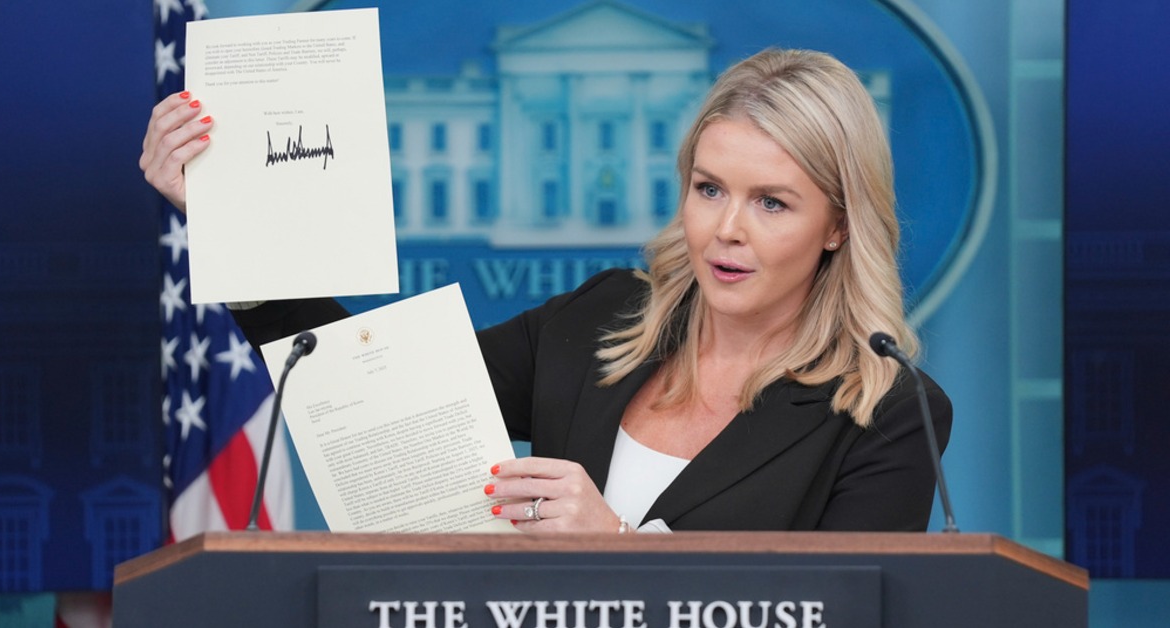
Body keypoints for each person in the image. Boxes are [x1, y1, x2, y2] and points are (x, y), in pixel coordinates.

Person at [140, 47, 952, 534]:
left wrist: (621, 550)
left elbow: (843, 611)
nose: (726, 229)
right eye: (709, 189)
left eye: (771, 203)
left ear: (838, 225)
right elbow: (362, 391)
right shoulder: (604, 317)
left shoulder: (889, 414)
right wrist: (228, 221)